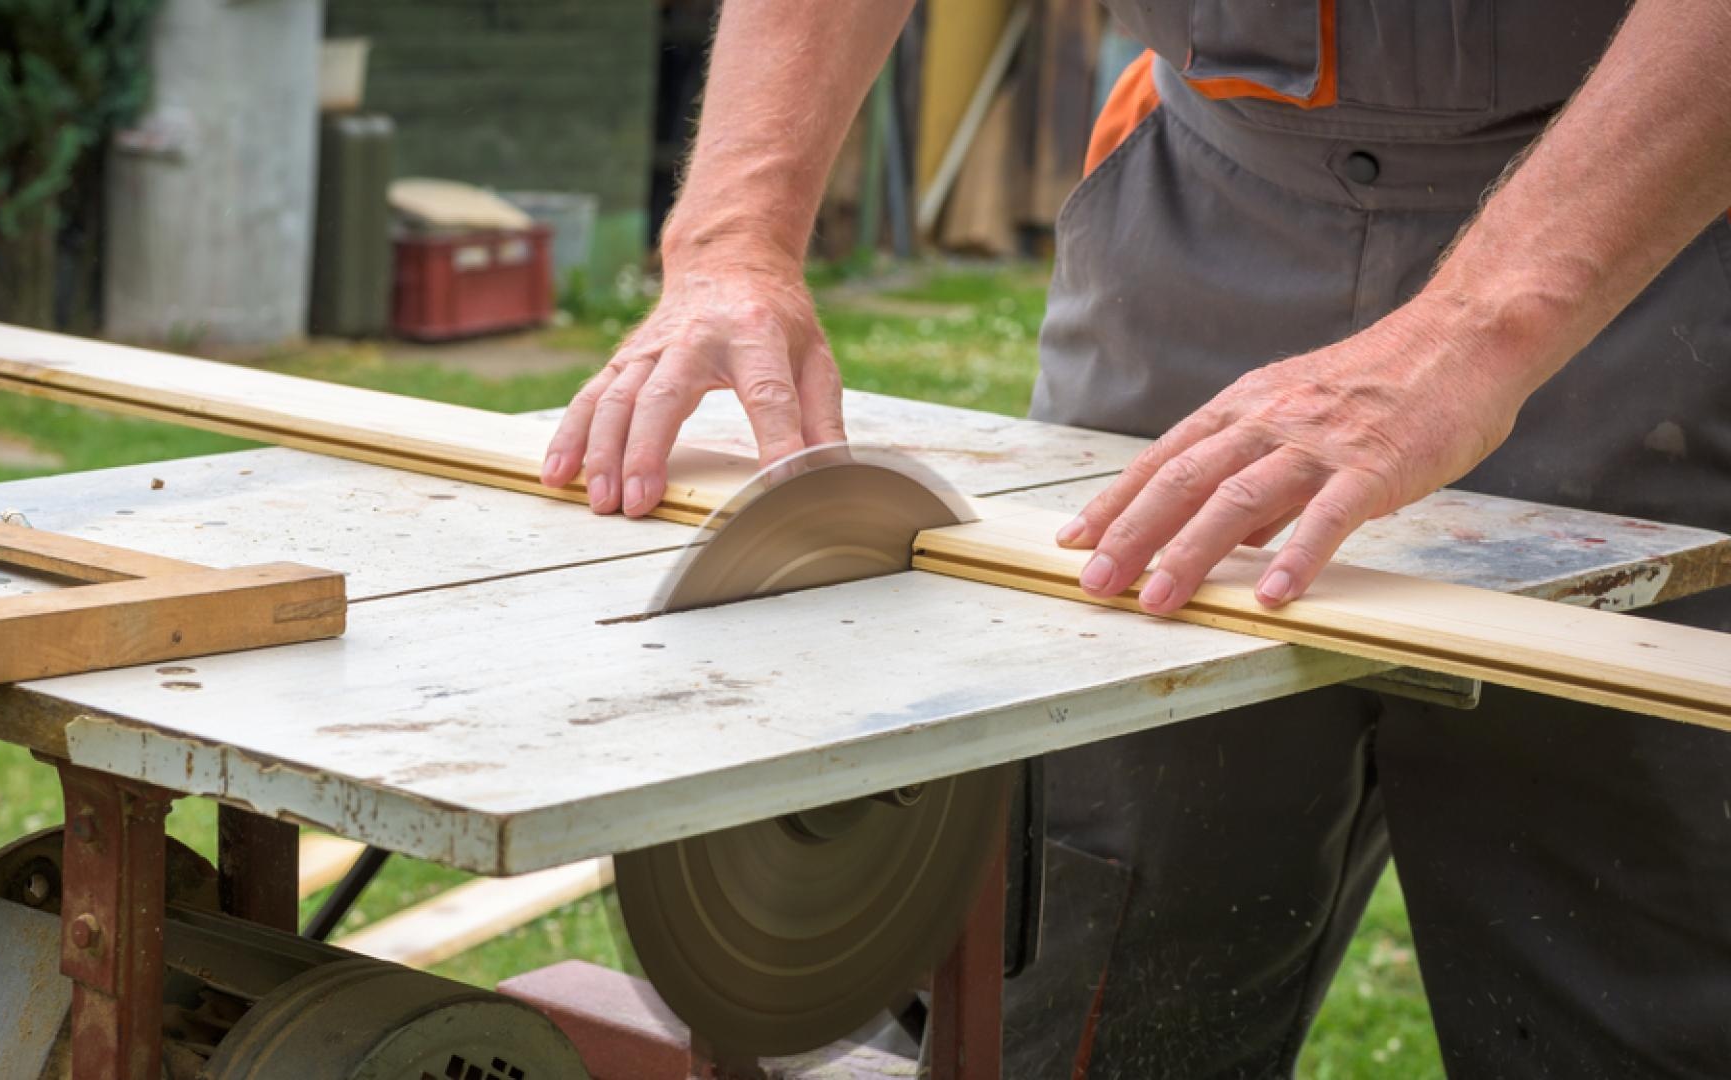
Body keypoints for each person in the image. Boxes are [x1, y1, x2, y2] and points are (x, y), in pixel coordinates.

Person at [543, 2, 1731, 1075]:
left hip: (1655, 230)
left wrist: (1482, 327)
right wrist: (730, 241)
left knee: (1638, 943)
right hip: (1212, 211)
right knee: (1082, 937)